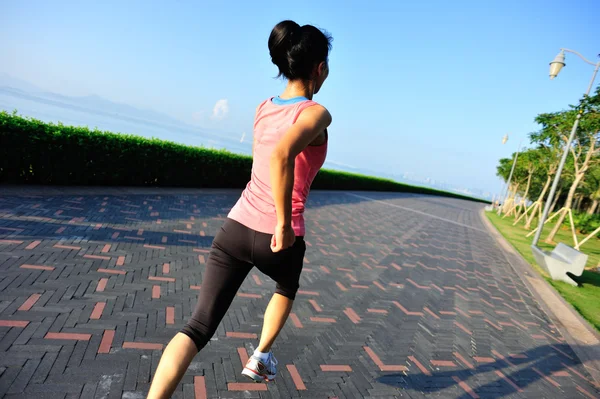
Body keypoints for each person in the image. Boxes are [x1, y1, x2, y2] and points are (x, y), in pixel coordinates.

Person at [146, 19, 332, 398]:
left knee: (197, 327)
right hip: (277, 238)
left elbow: (264, 160)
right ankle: (261, 354)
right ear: (319, 68)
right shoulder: (316, 114)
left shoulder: (264, 107)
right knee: (287, 283)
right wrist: (282, 223)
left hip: (235, 227)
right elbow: (282, 154)